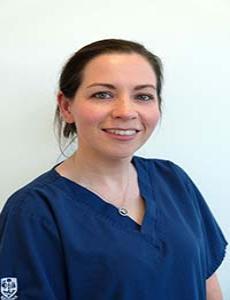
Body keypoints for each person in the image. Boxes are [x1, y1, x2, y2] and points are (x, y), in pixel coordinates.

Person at [0, 39, 227, 300]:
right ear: (66, 106)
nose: (125, 111)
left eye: (143, 96)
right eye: (103, 94)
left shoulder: (174, 180)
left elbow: (209, 284)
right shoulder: (34, 211)